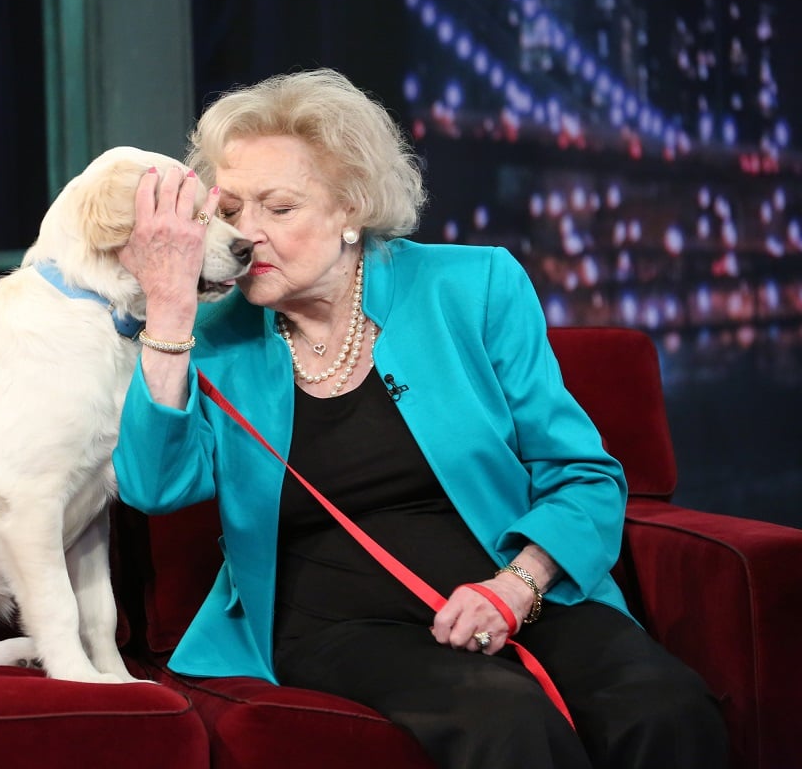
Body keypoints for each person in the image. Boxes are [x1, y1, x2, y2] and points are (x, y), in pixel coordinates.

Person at [112, 68, 727, 769]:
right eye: (230, 212)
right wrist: (168, 312)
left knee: (665, 709)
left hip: (507, 585)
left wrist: (516, 585)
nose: (246, 235)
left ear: (351, 211)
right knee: (505, 723)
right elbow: (153, 488)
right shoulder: (215, 338)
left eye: (278, 209)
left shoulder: (475, 287)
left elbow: (583, 474)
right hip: (336, 619)